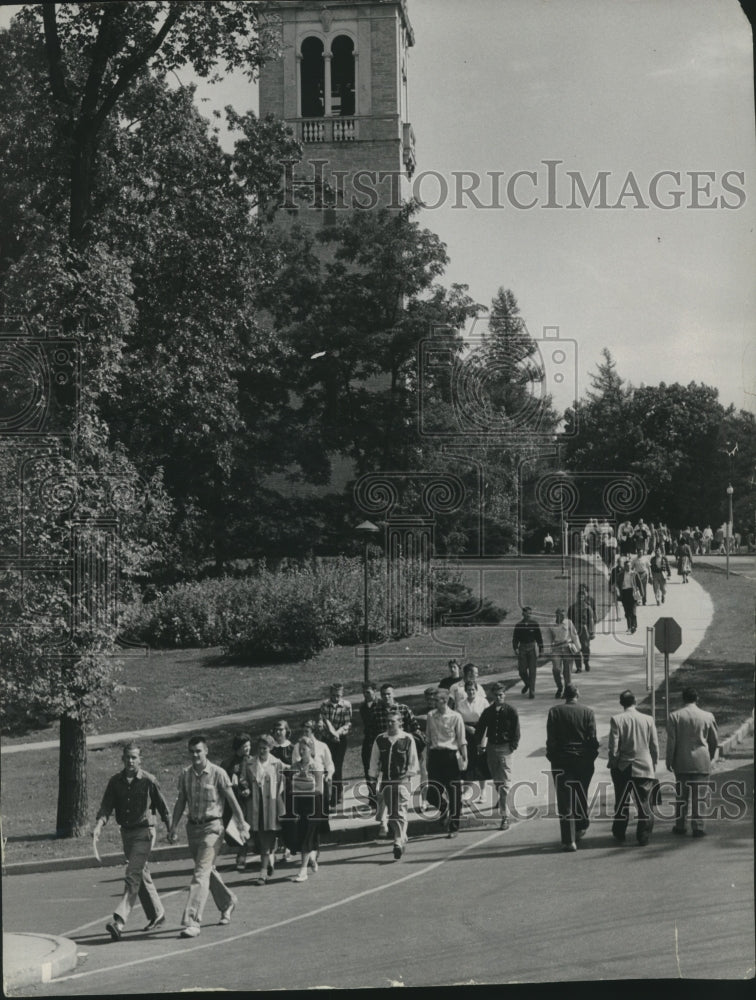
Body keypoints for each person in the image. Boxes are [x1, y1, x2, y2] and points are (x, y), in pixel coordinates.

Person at [168, 735, 250, 938]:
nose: (195, 755)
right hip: (193, 829)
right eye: (192, 751)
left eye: (199, 751)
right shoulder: (185, 774)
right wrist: (173, 826)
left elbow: (232, 801)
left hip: (213, 829)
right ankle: (227, 901)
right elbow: (181, 801)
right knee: (206, 871)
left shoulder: (218, 773)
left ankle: (193, 920)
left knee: (200, 874)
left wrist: (241, 824)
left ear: (206, 751)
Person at [94, 742, 172, 941]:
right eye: (127, 757)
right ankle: (157, 914)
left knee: (132, 874)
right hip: (127, 834)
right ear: (122, 759)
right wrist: (99, 826)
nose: (130, 761)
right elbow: (106, 807)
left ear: (140, 759)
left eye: (134, 757)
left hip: (145, 832)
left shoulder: (148, 781)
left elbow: (163, 807)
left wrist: (171, 828)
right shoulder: (115, 782)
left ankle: (119, 921)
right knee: (141, 874)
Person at [546, 684, 599, 851]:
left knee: (565, 800)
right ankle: (581, 823)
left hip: (562, 760)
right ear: (578, 694)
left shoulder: (554, 711)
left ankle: (569, 840)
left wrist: (552, 756)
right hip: (583, 760)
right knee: (581, 793)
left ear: (565, 695)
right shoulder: (588, 712)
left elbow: (551, 738)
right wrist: (591, 757)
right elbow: (592, 738)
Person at [666, 687, 719, 838]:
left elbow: (671, 743)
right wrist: (711, 755)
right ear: (697, 698)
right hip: (701, 761)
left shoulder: (675, 716)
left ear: (683, 699)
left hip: (681, 761)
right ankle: (698, 827)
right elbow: (714, 740)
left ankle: (680, 825)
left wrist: (669, 761)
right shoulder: (707, 716)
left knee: (681, 796)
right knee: (700, 797)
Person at [608, 691, 659, 846]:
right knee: (644, 802)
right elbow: (654, 745)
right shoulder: (648, 719)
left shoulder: (617, 720)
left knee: (621, 801)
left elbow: (614, 747)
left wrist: (614, 762)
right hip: (644, 766)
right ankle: (643, 835)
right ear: (635, 701)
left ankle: (619, 832)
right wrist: (654, 763)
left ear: (621, 703)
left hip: (624, 766)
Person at [368, 710, 420, 860]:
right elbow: (374, 761)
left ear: (400, 723)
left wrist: (407, 776)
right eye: (388, 721)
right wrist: (372, 778)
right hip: (387, 781)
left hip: (402, 781)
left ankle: (397, 841)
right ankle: (401, 836)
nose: (390, 724)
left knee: (400, 811)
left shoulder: (407, 739)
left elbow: (413, 763)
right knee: (392, 813)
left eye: (393, 721)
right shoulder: (380, 739)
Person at [475, 683, 520, 831]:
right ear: (493, 696)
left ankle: (504, 816)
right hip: (491, 748)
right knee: (496, 779)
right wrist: (478, 745)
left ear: (505, 694)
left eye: (501, 694)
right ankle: (501, 799)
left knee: (505, 781)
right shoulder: (488, 712)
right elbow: (481, 728)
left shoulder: (511, 711)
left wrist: (512, 746)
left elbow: (516, 731)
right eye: (496, 695)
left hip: (505, 748)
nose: (499, 697)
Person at [425, 688, 467, 838]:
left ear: (444, 701)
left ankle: (454, 826)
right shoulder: (431, 716)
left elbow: (462, 740)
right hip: (435, 756)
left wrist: (465, 758)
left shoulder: (456, 717)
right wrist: (427, 759)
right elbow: (428, 739)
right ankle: (444, 808)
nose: (433, 702)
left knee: (454, 793)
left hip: (451, 756)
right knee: (431, 793)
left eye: (436, 700)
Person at [244, 735, 286, 884]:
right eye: (260, 748)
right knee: (261, 838)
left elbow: (282, 784)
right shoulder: (249, 763)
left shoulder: (277, 764)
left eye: (265, 748)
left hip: (272, 806)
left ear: (271, 748)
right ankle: (270, 861)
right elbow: (244, 780)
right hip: (256, 805)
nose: (262, 751)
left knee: (267, 837)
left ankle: (262, 872)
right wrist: (246, 789)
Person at [289, 736, 329, 882]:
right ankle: (312, 856)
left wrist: (304, 786)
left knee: (307, 835)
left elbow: (319, 788)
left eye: (304, 748)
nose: (301, 751)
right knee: (301, 834)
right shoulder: (295, 766)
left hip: (314, 804)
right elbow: (290, 786)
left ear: (310, 750)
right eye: (300, 748)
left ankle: (303, 870)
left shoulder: (316, 765)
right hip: (299, 805)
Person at [454, 676, 490, 802]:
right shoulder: (460, 704)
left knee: (481, 762)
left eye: (473, 690)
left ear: (477, 690)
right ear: (465, 691)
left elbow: (487, 721)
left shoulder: (483, 702)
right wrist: (467, 727)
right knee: (467, 760)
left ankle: (483, 792)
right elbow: (456, 720)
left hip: (480, 732)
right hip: (466, 733)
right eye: (468, 690)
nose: (471, 692)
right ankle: (468, 790)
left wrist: (484, 740)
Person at [220, 733, 252, 872]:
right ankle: (241, 851)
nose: (248, 749)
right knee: (231, 829)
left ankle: (242, 855)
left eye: (249, 746)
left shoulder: (251, 761)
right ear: (238, 747)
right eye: (245, 746)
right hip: (232, 801)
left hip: (248, 802)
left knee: (243, 827)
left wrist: (249, 790)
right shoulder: (227, 763)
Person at [319, 682, 352, 808]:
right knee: (328, 767)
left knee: (337, 767)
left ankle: (338, 794)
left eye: (338, 695)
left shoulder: (347, 705)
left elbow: (347, 724)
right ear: (330, 693)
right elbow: (322, 724)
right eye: (333, 695)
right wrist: (330, 735)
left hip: (340, 740)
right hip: (327, 740)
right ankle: (329, 794)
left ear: (342, 694)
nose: (336, 698)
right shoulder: (324, 705)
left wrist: (337, 734)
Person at [270, 720, 295, 863]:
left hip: (288, 787)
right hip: (273, 788)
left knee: (288, 817)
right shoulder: (270, 749)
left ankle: (288, 847)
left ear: (287, 731)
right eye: (276, 729)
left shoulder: (292, 748)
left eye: (281, 729)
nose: (278, 732)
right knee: (275, 819)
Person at [512, 606, 543, 698]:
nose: (529, 615)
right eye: (527, 613)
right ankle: (527, 684)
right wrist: (515, 648)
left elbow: (539, 638)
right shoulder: (518, 625)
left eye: (530, 613)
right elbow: (515, 638)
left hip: (532, 647)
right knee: (522, 670)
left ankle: (532, 692)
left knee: (532, 671)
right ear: (523, 614)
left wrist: (541, 650)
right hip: (522, 647)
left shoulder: (535, 624)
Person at [550, 608, 580, 697]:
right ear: (556, 615)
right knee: (556, 669)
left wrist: (578, 649)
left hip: (567, 648)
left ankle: (567, 691)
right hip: (556, 648)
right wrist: (547, 649)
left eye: (564, 615)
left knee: (567, 671)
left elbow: (574, 635)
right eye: (560, 615)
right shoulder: (551, 624)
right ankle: (559, 687)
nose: (562, 617)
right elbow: (548, 638)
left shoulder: (569, 623)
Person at [567, 590, 595, 673]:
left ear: (585, 597)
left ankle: (586, 662)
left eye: (582, 596)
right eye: (579, 596)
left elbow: (591, 620)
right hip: (574, 628)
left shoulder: (587, 607)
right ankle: (578, 667)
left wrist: (592, 632)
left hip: (584, 628)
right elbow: (569, 620)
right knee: (576, 648)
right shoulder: (572, 607)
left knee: (585, 647)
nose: (581, 598)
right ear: (577, 597)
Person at [617, 557, 640, 634]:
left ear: (631, 566)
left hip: (632, 593)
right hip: (624, 593)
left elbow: (639, 584)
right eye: (626, 566)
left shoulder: (634, 574)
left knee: (633, 611)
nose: (628, 567)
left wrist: (641, 595)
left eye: (629, 566)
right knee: (627, 612)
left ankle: (634, 625)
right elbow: (618, 584)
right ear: (624, 566)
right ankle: (629, 627)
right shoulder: (620, 575)